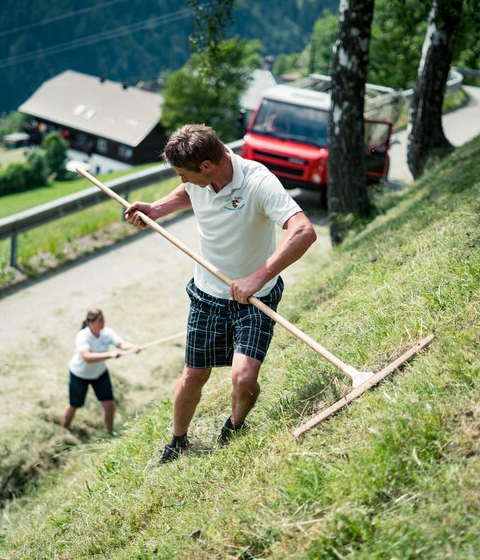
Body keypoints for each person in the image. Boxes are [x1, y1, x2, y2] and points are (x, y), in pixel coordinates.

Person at [124, 124, 317, 464]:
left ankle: (234, 426)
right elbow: (189, 192)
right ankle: (178, 441)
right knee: (193, 375)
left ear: (207, 166)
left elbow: (303, 231)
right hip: (207, 295)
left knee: (243, 377)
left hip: (255, 298)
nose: (182, 180)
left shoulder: (258, 182)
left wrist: (258, 278)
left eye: (185, 173)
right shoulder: (198, 180)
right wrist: (156, 209)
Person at [62, 309, 139, 432]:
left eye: (103, 319)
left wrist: (133, 347)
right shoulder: (83, 335)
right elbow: (87, 357)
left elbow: (121, 344)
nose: (104, 322)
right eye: (100, 320)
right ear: (90, 323)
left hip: (99, 374)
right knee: (74, 404)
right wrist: (109, 354)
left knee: (109, 404)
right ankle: (65, 428)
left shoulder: (107, 333)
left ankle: (108, 432)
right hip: (79, 375)